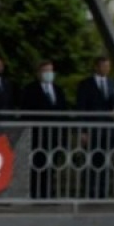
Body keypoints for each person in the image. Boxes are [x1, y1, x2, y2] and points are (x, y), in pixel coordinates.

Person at [19, 58, 68, 199]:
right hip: (38, 135)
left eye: (51, 70)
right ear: (39, 72)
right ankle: (36, 194)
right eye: (46, 71)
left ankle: (49, 194)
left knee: (51, 165)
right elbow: (26, 111)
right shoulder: (30, 90)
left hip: (54, 135)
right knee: (37, 165)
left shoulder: (58, 90)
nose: (49, 73)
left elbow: (63, 111)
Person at [75, 54, 114, 199]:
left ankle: (102, 192)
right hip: (92, 129)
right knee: (92, 161)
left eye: (108, 66)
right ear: (96, 67)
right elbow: (81, 107)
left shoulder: (112, 83)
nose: (106, 69)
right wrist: (82, 130)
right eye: (103, 66)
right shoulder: (86, 84)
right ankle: (90, 191)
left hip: (108, 129)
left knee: (106, 161)